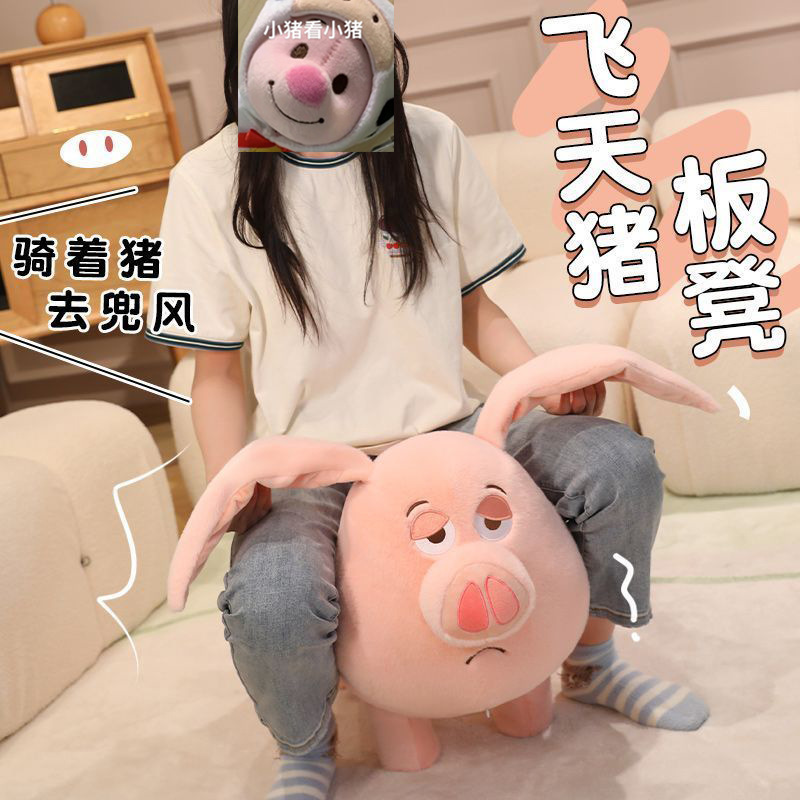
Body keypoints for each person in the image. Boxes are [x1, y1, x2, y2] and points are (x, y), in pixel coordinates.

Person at [146, 3, 709, 798]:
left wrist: (540, 377)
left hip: (458, 433)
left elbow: (475, 307)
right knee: (271, 603)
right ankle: (305, 741)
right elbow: (215, 373)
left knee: (617, 466)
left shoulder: (432, 139)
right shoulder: (207, 180)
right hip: (312, 460)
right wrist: (231, 480)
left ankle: (591, 661)